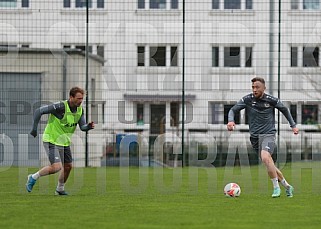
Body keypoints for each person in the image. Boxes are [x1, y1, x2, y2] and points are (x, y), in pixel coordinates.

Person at [227, 77, 299, 198]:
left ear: (264, 88)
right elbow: (233, 110)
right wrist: (230, 121)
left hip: (268, 135)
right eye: (253, 87)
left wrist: (293, 125)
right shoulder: (247, 99)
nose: (254, 90)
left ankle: (276, 188)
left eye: (257, 87)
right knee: (269, 163)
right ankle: (287, 186)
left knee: (266, 157)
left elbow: (285, 110)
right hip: (254, 138)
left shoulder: (271, 100)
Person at [26, 86, 95, 195]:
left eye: (82, 98)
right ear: (71, 97)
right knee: (56, 167)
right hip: (51, 139)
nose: (81, 101)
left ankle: (60, 189)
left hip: (64, 142)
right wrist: (34, 128)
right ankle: (33, 177)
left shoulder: (80, 110)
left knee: (68, 166)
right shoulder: (60, 106)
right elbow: (38, 111)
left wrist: (88, 127)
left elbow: (82, 127)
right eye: (78, 98)